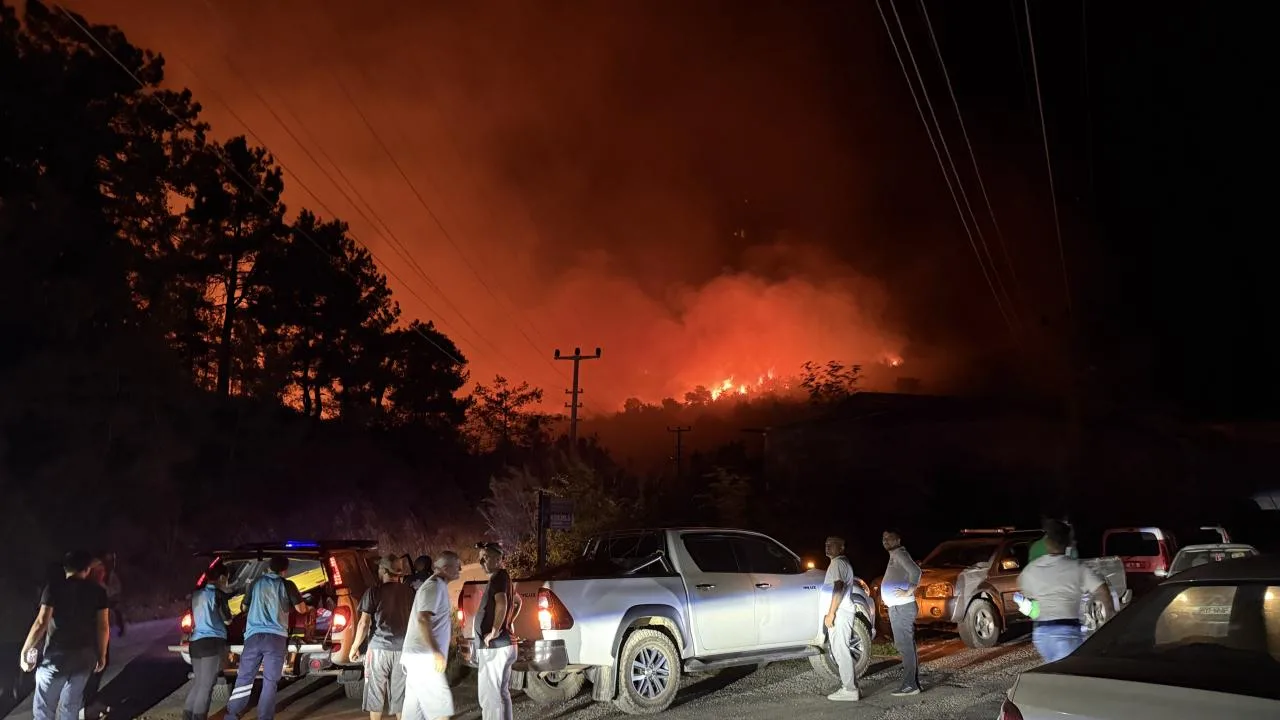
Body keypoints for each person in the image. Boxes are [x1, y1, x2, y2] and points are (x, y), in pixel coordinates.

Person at [19, 551, 110, 720]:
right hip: (85, 657)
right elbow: (103, 627)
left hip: (57, 656)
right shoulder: (98, 592)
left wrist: (26, 650)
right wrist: (102, 654)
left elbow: (41, 623)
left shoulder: (54, 587)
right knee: (71, 705)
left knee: (44, 709)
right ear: (87, 569)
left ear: (65, 568)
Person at [1017, 519, 1114, 664]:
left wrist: (1034, 610)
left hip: (1041, 635)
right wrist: (1109, 620)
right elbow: (1103, 589)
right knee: (1070, 677)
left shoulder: (1032, 569)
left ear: (1048, 543)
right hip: (1067, 634)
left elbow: (1021, 591)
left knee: (1054, 673)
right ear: (1068, 543)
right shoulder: (1078, 568)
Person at [225, 555, 309, 720]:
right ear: (284, 570)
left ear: (269, 567)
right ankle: (264, 717)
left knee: (244, 678)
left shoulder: (256, 583)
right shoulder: (287, 584)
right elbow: (301, 609)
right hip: (276, 639)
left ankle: (232, 715)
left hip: (253, 637)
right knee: (270, 681)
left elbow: (243, 607)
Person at [350, 555, 415, 720]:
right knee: (400, 695)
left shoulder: (374, 592)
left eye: (379, 568)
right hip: (403, 650)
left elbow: (363, 623)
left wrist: (354, 647)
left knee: (375, 693)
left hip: (378, 649)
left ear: (385, 571)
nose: (378, 571)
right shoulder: (410, 592)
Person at [402, 551, 463, 720]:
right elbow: (423, 619)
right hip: (424, 657)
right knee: (440, 711)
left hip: (417, 657)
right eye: (457, 564)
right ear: (445, 568)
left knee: (414, 713)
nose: (461, 568)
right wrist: (435, 652)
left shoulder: (438, 585)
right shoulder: (434, 586)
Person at [474, 543, 520, 720]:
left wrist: (494, 631)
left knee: (490, 697)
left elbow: (503, 603)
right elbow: (518, 602)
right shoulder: (504, 578)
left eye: (486, 556)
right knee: (502, 693)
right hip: (506, 645)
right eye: (481, 556)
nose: (481, 560)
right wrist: (509, 622)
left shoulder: (499, 578)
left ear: (499, 559)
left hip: (495, 647)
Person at [183, 563, 233, 720]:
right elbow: (228, 620)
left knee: (198, 683)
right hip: (212, 643)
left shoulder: (196, 594)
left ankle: (187, 717)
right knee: (206, 687)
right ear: (221, 578)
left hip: (196, 643)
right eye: (226, 579)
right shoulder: (218, 594)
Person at [880, 530, 922, 696]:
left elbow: (916, 572)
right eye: (883, 539)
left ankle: (910, 685)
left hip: (902, 607)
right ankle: (912, 684)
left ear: (898, 539)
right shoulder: (895, 555)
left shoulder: (899, 553)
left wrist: (908, 590)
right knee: (904, 646)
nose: (885, 541)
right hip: (897, 607)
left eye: (889, 538)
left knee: (905, 646)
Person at [821, 536, 861, 702]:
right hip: (841, 611)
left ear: (842, 547)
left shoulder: (838, 563)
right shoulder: (840, 562)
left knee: (841, 649)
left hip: (840, 612)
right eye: (826, 544)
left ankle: (849, 689)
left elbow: (839, 586)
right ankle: (850, 686)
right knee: (839, 649)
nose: (827, 547)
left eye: (832, 545)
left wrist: (831, 613)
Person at [102, 553, 126, 637]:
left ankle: (121, 628)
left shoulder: (114, 573)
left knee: (116, 612)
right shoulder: (105, 573)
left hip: (114, 596)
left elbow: (117, 587)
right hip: (109, 596)